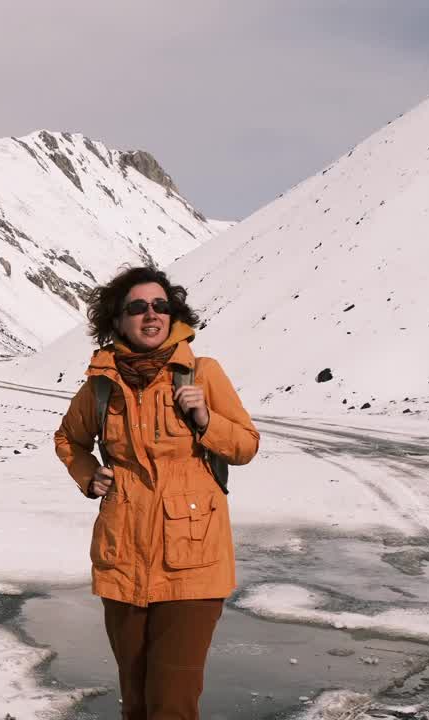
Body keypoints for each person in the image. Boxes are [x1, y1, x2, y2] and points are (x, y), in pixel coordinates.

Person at [54, 266, 259, 720]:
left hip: (193, 563)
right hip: (122, 560)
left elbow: (246, 445)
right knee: (138, 702)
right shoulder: (101, 385)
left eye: (161, 306)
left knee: (172, 704)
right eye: (138, 307)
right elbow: (68, 439)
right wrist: (89, 475)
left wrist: (207, 421)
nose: (152, 315)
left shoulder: (202, 373)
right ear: (117, 320)